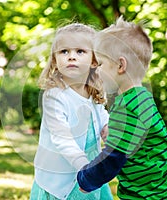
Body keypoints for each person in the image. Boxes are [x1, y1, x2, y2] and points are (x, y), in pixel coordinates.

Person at [77, 16, 167, 200]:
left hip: (148, 194)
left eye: (101, 64)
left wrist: (86, 179)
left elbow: (113, 158)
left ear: (120, 65)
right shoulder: (141, 98)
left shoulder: (127, 106)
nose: (96, 71)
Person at [30, 22, 113, 200]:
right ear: (55, 60)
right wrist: (85, 166)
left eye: (80, 51)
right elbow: (62, 138)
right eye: (64, 51)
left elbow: (101, 115)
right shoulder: (55, 96)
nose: (71, 57)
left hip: (89, 167)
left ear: (94, 60)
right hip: (61, 175)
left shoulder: (93, 91)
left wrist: (107, 129)